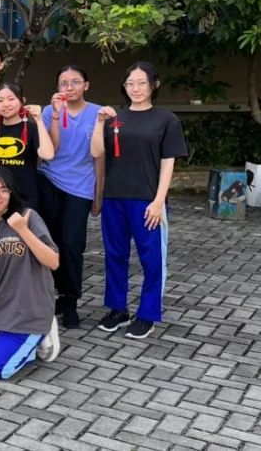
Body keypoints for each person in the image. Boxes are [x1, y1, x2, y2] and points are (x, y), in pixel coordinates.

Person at [90, 62, 186, 340]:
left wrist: (158, 201)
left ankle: (147, 314)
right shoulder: (114, 118)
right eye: (130, 83)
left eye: (142, 82)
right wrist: (99, 123)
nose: (135, 88)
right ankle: (118, 309)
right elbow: (97, 153)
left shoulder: (166, 120)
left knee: (151, 259)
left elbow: (168, 163)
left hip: (147, 200)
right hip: (114, 198)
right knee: (115, 255)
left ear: (154, 85)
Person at [0, 167, 61, 380]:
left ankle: (41, 333)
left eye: (3, 190)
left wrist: (22, 230)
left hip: (30, 310)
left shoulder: (27, 217)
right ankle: (18, 344)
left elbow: (53, 262)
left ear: (11, 192)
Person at [39, 66, 104, 329]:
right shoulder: (48, 111)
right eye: (63, 82)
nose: (69, 87)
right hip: (49, 181)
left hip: (81, 186)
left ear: (86, 85)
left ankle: (72, 300)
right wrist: (56, 114)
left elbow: (99, 157)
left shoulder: (98, 113)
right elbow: (50, 149)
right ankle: (59, 295)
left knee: (72, 243)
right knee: (51, 243)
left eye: (75, 82)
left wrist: (99, 193)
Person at [0, 83, 54, 206]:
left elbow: (48, 155)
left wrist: (39, 120)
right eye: (0, 100)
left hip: (25, 196)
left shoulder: (32, 128)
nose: (6, 104)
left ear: (22, 101)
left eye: (11, 99)